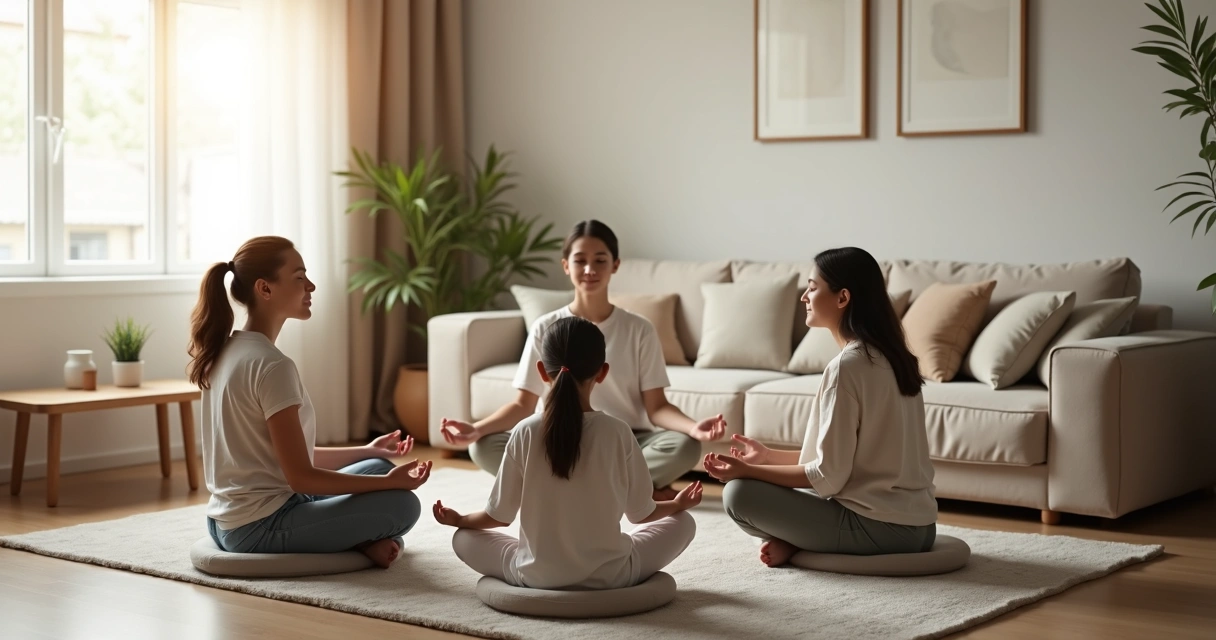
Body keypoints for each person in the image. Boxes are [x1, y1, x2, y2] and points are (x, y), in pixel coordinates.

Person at [188, 235, 432, 567]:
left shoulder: (227, 351)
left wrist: (369, 450)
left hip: (225, 521)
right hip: (259, 527)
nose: (311, 286)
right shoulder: (272, 365)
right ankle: (361, 542)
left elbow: (286, 457)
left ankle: (359, 536)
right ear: (265, 289)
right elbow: (301, 476)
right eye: (299, 277)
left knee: (378, 468)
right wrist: (388, 485)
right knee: (403, 505)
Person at [439, 219, 726, 500]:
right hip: (558, 438)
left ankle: (562, 487)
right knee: (482, 446)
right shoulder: (545, 326)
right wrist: (476, 430)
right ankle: (629, 489)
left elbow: (657, 407)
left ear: (615, 264)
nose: (590, 269)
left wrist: (693, 427)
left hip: (623, 442)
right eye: (580, 260)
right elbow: (522, 404)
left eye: (600, 260)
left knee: (685, 446)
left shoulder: (639, 328)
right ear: (566, 265)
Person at [703, 247, 937, 567]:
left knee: (738, 493)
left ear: (842, 298)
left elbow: (827, 478)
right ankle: (796, 542)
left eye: (812, 288)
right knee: (756, 487)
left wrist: (749, 471)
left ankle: (797, 544)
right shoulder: (896, 359)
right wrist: (769, 457)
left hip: (878, 529)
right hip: (921, 528)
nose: (804, 297)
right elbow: (855, 462)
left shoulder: (848, 367)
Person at [433, 316, 702, 589]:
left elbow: (498, 517)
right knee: (684, 522)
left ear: (541, 371)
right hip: (613, 575)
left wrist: (460, 520)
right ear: (602, 372)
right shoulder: (618, 431)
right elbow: (641, 515)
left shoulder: (524, 431)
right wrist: (678, 505)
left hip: (534, 576)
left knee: (463, 537)